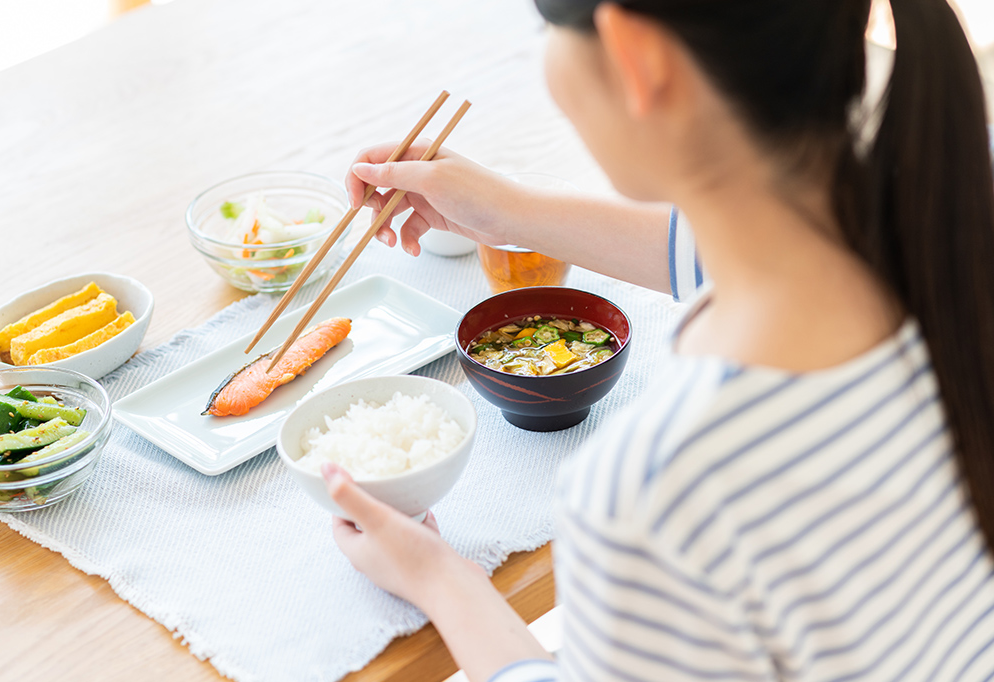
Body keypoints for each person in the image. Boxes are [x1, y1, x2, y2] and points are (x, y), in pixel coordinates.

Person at [322, 0, 994, 679]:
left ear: (637, 57)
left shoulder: (659, 491)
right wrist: (511, 214)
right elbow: (740, 247)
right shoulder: (950, 211)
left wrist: (442, 579)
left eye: (545, 29)